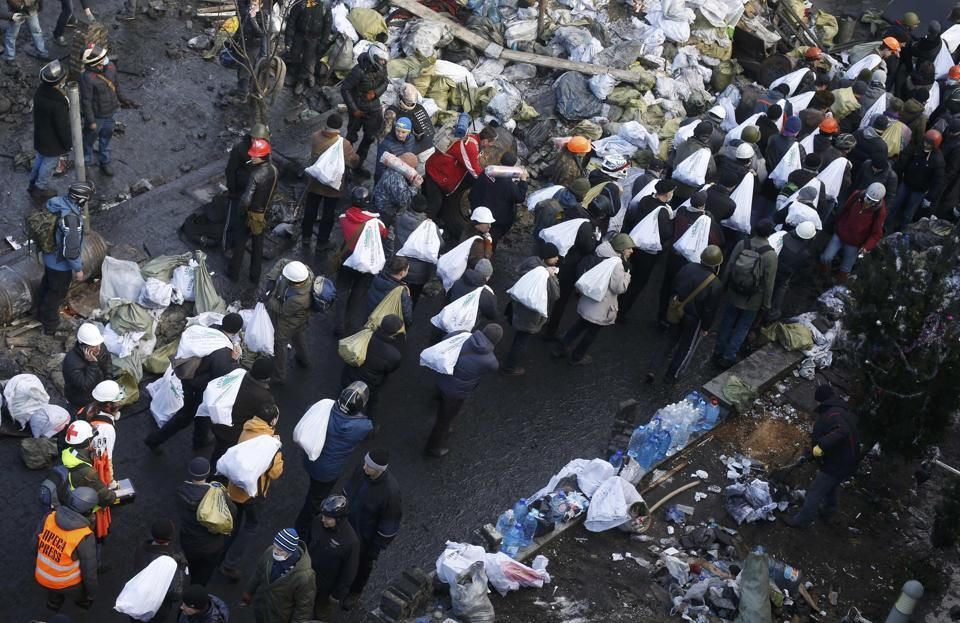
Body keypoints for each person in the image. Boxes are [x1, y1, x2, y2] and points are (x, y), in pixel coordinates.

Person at [146, 313, 243, 453]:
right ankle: (154, 440)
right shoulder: (222, 351)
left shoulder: (211, 330)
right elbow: (222, 376)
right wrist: (234, 360)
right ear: (236, 331)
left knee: (199, 415)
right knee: (187, 416)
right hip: (199, 388)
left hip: (189, 381)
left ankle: (200, 439)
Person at [295, 383, 373, 542]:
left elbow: (311, 410)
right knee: (315, 501)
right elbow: (370, 426)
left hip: (311, 459)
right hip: (328, 472)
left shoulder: (325, 410)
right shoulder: (361, 426)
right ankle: (301, 532)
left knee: (314, 490)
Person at [221, 405, 284, 580]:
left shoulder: (247, 429)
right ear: (272, 421)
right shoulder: (270, 445)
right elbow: (275, 472)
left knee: (233, 524)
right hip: (253, 495)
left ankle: (221, 552)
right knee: (250, 527)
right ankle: (230, 564)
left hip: (234, 489)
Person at [646, 245, 724, 384]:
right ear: (717, 264)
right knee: (685, 347)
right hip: (694, 319)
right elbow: (709, 309)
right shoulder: (715, 283)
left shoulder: (688, 267)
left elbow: (674, 284)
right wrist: (706, 327)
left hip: (677, 310)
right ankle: (671, 375)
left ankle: (653, 368)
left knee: (668, 340)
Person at [785, 385, 860, 528]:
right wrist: (811, 453)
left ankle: (802, 521)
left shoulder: (833, 415)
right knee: (831, 487)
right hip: (847, 461)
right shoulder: (840, 411)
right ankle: (828, 512)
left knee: (815, 490)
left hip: (839, 463)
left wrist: (821, 445)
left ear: (820, 400)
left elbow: (841, 432)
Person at [552, 233, 633, 366]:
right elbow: (619, 288)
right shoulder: (617, 264)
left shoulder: (601, 252)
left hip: (588, 300)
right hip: (601, 305)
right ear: (622, 248)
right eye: (629, 248)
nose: (631, 251)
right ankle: (577, 357)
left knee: (579, 325)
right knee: (592, 332)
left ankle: (560, 348)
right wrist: (627, 275)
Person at [712, 219, 778, 368]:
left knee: (727, 320)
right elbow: (769, 283)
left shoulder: (743, 244)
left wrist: (723, 285)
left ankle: (718, 349)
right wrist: (767, 304)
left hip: (734, 291)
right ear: (769, 234)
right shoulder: (770, 255)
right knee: (743, 326)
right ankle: (728, 356)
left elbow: (729, 265)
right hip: (753, 298)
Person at [427, 326, 501, 457]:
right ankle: (433, 448)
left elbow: (446, 339)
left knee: (441, 397)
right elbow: (493, 369)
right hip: (457, 392)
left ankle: (437, 399)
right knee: (444, 421)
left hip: (443, 379)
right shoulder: (491, 361)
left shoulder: (462, 336)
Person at [340, 449, 402, 607]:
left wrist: (375, 548)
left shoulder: (390, 492)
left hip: (365, 539)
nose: (364, 467)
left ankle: (355, 591)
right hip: (346, 526)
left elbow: (389, 524)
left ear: (380, 470)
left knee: (362, 567)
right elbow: (348, 490)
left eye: (369, 466)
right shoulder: (362, 470)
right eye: (365, 463)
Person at [542, 195, 604, 339]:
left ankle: (539, 320)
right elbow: (588, 247)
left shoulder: (574, 211)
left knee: (547, 292)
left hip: (556, 259)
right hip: (569, 266)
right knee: (561, 300)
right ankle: (550, 331)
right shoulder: (588, 226)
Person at [658, 192, 724, 325]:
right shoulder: (707, 222)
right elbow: (719, 240)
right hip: (690, 264)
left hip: (673, 257)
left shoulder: (681, 212)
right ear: (704, 205)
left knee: (666, 286)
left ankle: (661, 316)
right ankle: (674, 318)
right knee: (681, 291)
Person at [35, 181, 92, 335]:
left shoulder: (57, 204)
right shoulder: (71, 219)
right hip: (60, 264)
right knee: (56, 293)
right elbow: (71, 250)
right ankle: (50, 325)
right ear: (81, 199)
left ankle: (38, 312)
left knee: (47, 284)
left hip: (48, 255)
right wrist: (78, 269)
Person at [618, 179, 676, 323]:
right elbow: (666, 233)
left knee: (626, 273)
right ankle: (621, 311)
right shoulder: (662, 211)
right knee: (638, 282)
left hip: (633, 245)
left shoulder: (645, 200)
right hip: (647, 253)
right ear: (668, 193)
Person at [35, 486, 99, 615]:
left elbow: (33, 545)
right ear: (89, 511)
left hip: (42, 575)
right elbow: (89, 570)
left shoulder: (50, 517)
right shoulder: (83, 535)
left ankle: (53, 604)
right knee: (81, 593)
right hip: (67, 583)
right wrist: (92, 593)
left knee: (53, 589)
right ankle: (82, 604)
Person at [424, 126, 498, 237]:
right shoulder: (470, 147)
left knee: (441, 201)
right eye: (490, 143)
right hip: (436, 174)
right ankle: (425, 229)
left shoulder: (473, 139)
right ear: (485, 141)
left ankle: (438, 221)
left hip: (441, 172)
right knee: (435, 203)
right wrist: (492, 182)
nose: (490, 146)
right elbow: (474, 170)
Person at [302, 114, 360, 252]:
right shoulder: (343, 144)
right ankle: (322, 242)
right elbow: (354, 162)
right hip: (332, 187)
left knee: (310, 209)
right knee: (328, 214)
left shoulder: (315, 136)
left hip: (315, 181)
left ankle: (306, 236)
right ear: (339, 127)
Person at [335, 187, 388, 335]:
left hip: (347, 258)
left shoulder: (343, 217)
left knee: (342, 291)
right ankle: (351, 326)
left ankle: (338, 325)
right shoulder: (376, 223)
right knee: (359, 293)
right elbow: (384, 234)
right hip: (367, 261)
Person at [502, 243, 560, 376]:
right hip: (530, 315)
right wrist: (552, 277)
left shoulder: (531, 261)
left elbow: (518, 272)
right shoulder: (544, 274)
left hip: (518, 306)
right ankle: (510, 366)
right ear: (546, 257)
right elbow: (555, 295)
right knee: (521, 340)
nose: (557, 259)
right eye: (554, 256)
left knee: (519, 334)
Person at [176, 457, 236, 586]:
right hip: (211, 545)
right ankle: (196, 591)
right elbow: (232, 512)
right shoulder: (217, 494)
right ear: (208, 473)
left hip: (188, 542)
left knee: (193, 566)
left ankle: (193, 582)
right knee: (205, 573)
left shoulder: (180, 491)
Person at [228, 138, 278, 283]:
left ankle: (234, 274)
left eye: (254, 156)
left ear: (260, 157)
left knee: (240, 243)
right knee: (258, 245)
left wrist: (240, 212)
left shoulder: (255, 175)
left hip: (249, 214)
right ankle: (255, 276)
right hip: (262, 214)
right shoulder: (274, 170)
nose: (251, 157)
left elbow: (246, 199)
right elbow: (273, 192)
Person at [211, 357, 276, 466]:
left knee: (218, 450)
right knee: (223, 456)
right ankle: (214, 475)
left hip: (219, 421)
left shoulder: (238, 375)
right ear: (267, 377)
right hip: (233, 433)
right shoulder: (264, 397)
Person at [241, 529, 316, 622]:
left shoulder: (305, 577)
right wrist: (249, 592)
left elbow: (303, 609)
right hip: (262, 609)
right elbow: (258, 573)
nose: (275, 552)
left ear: (290, 551)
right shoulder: (269, 552)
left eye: (280, 550)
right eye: (274, 546)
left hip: (279, 618)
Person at [262, 260, 314, 385]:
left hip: (289, 322)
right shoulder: (304, 271)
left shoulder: (299, 299)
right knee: (298, 336)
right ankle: (304, 359)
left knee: (280, 344)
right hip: (301, 319)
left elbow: (282, 310)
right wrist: (273, 278)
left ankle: (280, 376)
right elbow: (282, 262)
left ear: (293, 282)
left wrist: (268, 298)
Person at [821, 182, 887, 282]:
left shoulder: (880, 212)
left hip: (855, 243)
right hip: (840, 234)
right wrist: (838, 224)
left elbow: (876, 233)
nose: (868, 202)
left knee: (845, 270)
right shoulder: (857, 195)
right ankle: (822, 277)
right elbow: (845, 209)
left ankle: (837, 287)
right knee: (825, 258)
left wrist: (866, 247)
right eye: (868, 198)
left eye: (872, 201)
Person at [308, 495, 359, 620]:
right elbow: (307, 540)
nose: (323, 519)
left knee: (321, 613)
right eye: (323, 515)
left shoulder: (350, 542)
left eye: (328, 518)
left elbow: (349, 573)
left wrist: (336, 595)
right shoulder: (317, 521)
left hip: (325, 588)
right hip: (306, 575)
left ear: (340, 519)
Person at [340, 316, 402, 419]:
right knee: (372, 405)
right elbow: (390, 370)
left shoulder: (363, 333)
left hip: (349, 376)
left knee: (344, 395)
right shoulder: (395, 356)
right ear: (395, 333)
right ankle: (370, 425)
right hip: (370, 386)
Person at [130, 519, 189, 623]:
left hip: (137, 601)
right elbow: (175, 594)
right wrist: (181, 568)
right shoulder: (173, 560)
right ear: (170, 537)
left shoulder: (141, 549)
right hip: (157, 608)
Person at [341, 43, 388, 167]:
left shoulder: (382, 68)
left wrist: (375, 93)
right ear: (374, 57)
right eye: (381, 59)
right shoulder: (358, 71)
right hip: (358, 108)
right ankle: (344, 165)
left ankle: (357, 164)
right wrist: (354, 109)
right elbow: (345, 88)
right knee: (351, 137)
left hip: (374, 108)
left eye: (384, 60)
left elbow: (385, 82)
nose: (383, 62)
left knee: (369, 137)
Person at [888, 129, 945, 231]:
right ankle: (886, 225)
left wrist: (930, 197)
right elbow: (908, 160)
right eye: (925, 141)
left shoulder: (937, 160)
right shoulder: (919, 148)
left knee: (908, 214)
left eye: (929, 143)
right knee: (894, 205)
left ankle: (902, 232)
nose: (925, 144)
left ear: (934, 145)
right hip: (906, 183)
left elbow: (938, 181)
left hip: (919, 191)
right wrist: (901, 172)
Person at [225, 123, 270, 250]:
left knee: (249, 220)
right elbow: (230, 171)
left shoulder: (264, 148)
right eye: (254, 139)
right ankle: (228, 245)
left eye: (259, 139)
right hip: (239, 190)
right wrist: (232, 190)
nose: (256, 142)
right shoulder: (239, 149)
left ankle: (244, 240)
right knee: (232, 219)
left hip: (253, 190)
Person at [469, 152, 528, 247]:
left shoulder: (486, 172)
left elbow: (475, 189)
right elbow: (520, 198)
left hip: (478, 213)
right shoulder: (508, 184)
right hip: (495, 221)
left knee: (472, 239)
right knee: (490, 243)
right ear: (513, 166)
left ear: (500, 160)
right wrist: (523, 181)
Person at [29, 60, 70, 200]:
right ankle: (40, 188)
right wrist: (67, 144)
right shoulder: (58, 103)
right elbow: (62, 126)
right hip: (53, 142)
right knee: (49, 164)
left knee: (39, 159)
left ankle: (32, 182)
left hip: (41, 135)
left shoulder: (40, 92)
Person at [79, 45, 121, 177]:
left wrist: (123, 99)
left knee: (106, 138)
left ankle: (105, 161)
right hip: (97, 116)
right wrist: (91, 121)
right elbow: (86, 101)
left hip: (110, 113)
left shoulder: (111, 68)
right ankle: (86, 163)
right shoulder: (87, 78)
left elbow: (117, 85)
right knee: (88, 141)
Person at [390, 194, 438, 307]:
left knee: (393, 296)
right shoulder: (430, 226)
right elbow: (439, 244)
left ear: (411, 204)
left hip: (399, 266)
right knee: (412, 300)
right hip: (420, 273)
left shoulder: (400, 218)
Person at [60, 420, 117, 511]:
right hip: (86, 508)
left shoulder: (67, 453)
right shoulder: (88, 472)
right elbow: (105, 497)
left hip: (71, 494)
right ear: (88, 441)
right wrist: (114, 496)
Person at [768, 221, 816, 321]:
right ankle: (773, 313)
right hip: (782, 275)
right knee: (782, 288)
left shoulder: (784, 235)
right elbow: (800, 270)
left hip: (772, 266)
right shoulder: (804, 253)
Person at [62, 323, 112, 412]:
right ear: (83, 347)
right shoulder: (71, 361)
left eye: (99, 344)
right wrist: (93, 363)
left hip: (98, 393)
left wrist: (108, 380)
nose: (98, 349)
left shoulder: (100, 347)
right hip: (80, 400)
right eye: (93, 346)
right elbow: (85, 386)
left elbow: (107, 363)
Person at [288, 0, 331, 96]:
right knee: (294, 55)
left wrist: (323, 43)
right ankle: (292, 75)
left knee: (307, 61)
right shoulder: (301, 3)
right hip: (299, 35)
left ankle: (301, 81)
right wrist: (289, 38)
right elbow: (291, 20)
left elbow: (327, 26)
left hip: (314, 38)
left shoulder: (324, 7)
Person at [445, 258, 498, 331]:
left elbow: (447, 297)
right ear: (487, 276)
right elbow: (492, 315)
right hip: (463, 328)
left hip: (446, 319)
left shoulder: (457, 280)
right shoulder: (486, 294)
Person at [372, 152, 421, 225]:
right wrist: (415, 186)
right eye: (414, 168)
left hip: (379, 202)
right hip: (383, 210)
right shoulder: (397, 178)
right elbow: (404, 200)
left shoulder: (394, 168)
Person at [365, 256, 414, 329]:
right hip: (385, 327)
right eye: (407, 270)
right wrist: (409, 297)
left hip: (369, 317)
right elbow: (406, 316)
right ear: (402, 272)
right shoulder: (401, 291)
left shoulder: (378, 277)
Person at [386, 83, 434, 154]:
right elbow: (386, 134)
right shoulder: (392, 112)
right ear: (400, 98)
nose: (409, 105)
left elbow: (429, 133)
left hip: (416, 148)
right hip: (398, 147)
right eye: (407, 103)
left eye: (411, 103)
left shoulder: (419, 109)